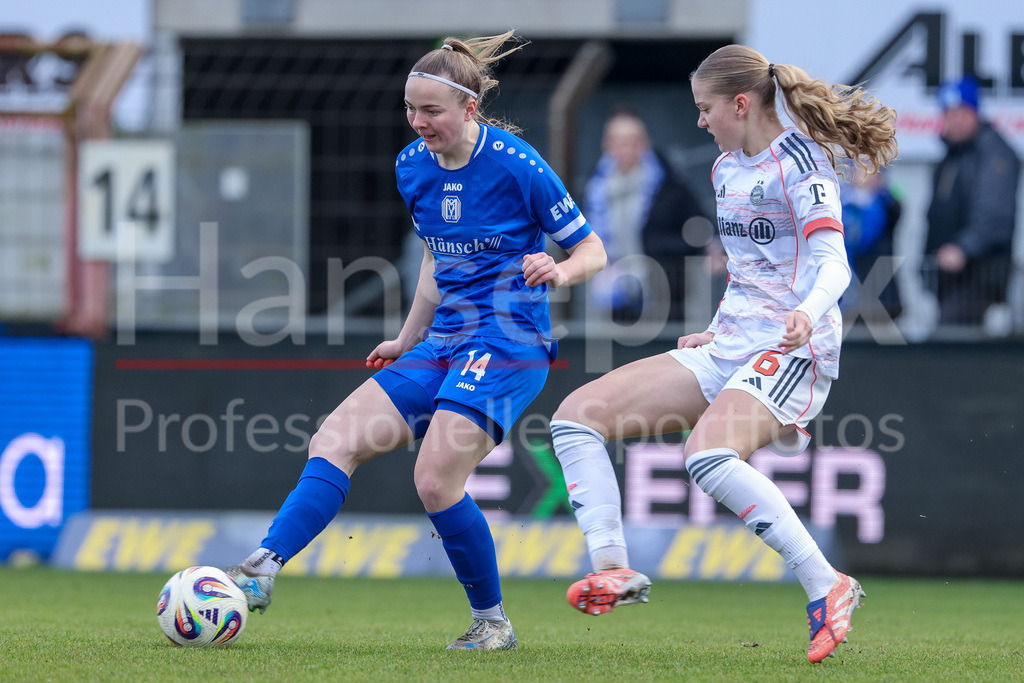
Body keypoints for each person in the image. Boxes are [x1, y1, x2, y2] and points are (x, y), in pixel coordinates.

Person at [226, 31, 606, 652]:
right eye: (411, 109)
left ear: (469, 109)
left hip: (510, 340)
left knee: (434, 480)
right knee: (334, 439)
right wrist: (408, 337)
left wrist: (559, 271)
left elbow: (593, 248)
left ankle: (492, 623)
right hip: (446, 336)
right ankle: (264, 568)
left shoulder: (518, 164)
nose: (418, 122)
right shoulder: (411, 166)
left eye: (431, 111)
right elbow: (436, 256)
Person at [549, 44, 897, 663]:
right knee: (576, 418)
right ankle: (613, 569)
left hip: (796, 345)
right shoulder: (724, 169)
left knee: (706, 454)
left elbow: (835, 266)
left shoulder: (802, 163)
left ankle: (829, 585)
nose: (700, 121)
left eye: (705, 108)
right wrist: (717, 326)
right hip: (733, 341)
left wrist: (805, 314)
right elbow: (749, 270)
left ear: (740, 104)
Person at [584, 108, 706, 321]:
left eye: (633, 141)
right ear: (606, 145)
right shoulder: (595, 188)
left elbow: (698, 228)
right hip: (611, 288)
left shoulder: (669, 185)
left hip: (664, 290)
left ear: (645, 143)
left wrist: (665, 248)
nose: (626, 148)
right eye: (618, 141)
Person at [925, 76, 1020, 326]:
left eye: (960, 112)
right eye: (948, 113)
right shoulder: (952, 154)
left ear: (974, 112)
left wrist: (963, 248)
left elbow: (995, 213)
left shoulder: (994, 153)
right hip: (949, 276)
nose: (952, 120)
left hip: (980, 274)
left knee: (954, 346)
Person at [839, 162, 902, 319]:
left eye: (870, 169)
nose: (864, 174)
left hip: (881, 293)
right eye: (860, 168)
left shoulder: (887, 202)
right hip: (849, 291)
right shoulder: (840, 203)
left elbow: (895, 212)